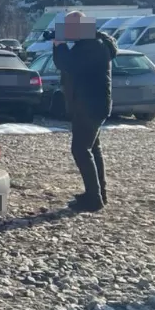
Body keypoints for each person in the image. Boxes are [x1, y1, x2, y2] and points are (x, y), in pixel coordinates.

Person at [51, 11, 118, 212]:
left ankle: (94, 198)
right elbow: (67, 63)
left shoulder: (92, 46)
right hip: (92, 103)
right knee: (92, 149)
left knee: (80, 150)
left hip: (89, 104)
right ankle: (97, 194)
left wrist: (59, 45)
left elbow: (68, 65)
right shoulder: (90, 43)